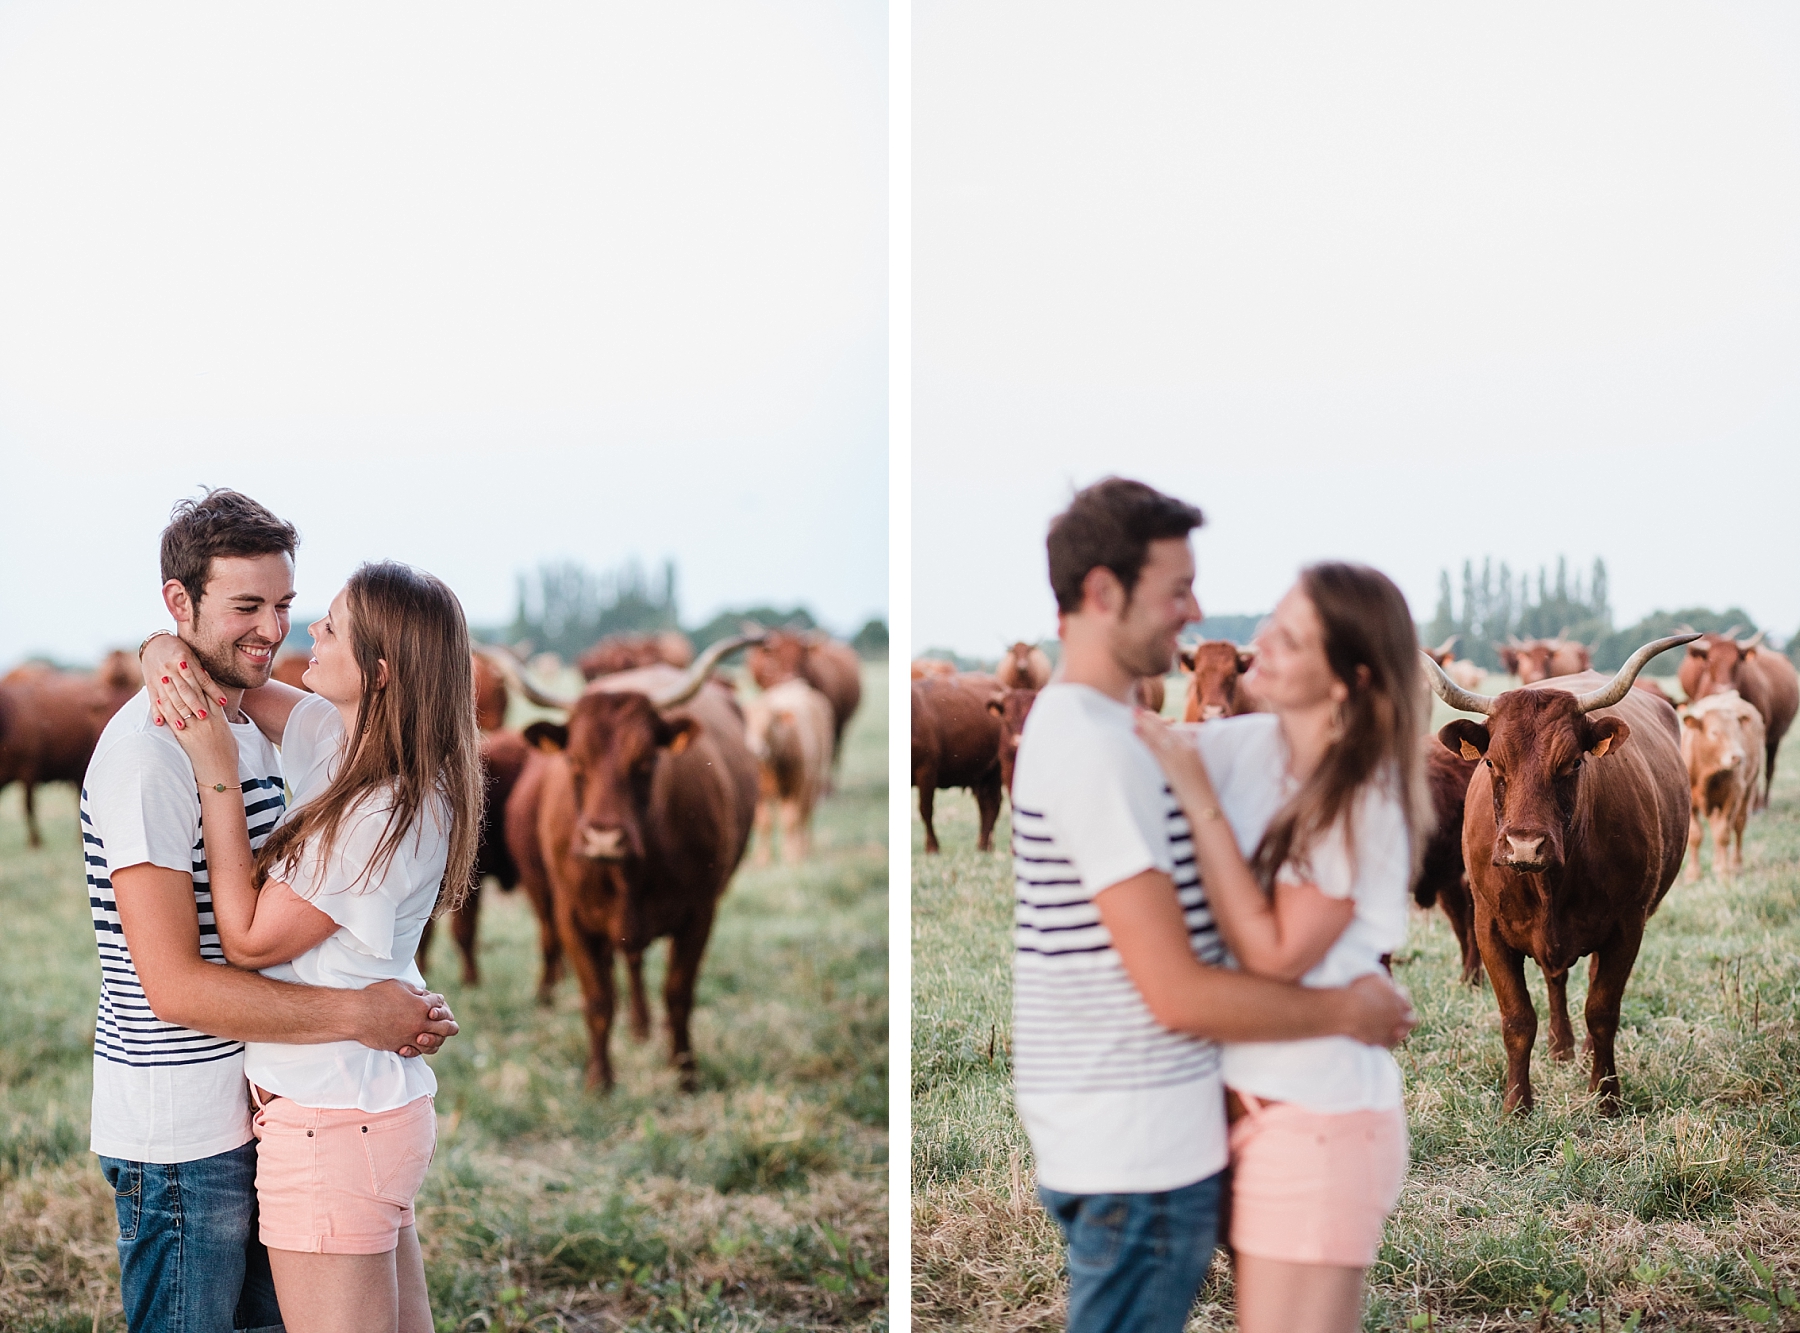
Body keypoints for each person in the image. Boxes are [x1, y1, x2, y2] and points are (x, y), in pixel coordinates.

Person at [1010, 477, 1416, 1333]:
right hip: (1148, 1142)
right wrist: (1348, 1007)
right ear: (1101, 592)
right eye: (1177, 589)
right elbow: (1179, 991)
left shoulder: (1330, 783)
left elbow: (1269, 934)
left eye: (1291, 634)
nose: (1200, 613)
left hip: (1255, 1124)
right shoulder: (1114, 744)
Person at [85, 489, 458, 1333]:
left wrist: (176, 659)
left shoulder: (266, 733)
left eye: (289, 607)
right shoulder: (149, 754)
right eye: (247, 606)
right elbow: (173, 986)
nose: (279, 632)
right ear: (180, 602)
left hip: (280, 1106)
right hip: (183, 1124)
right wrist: (363, 1009)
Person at [1135, 562, 1431, 1333]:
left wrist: (1198, 799)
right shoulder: (1257, 745)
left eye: (1291, 638)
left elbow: (1272, 953)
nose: (1260, 640)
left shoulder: (1360, 797)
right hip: (1262, 1113)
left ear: (1347, 680)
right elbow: (1147, 746)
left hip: (1320, 1123)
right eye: (1272, 619)